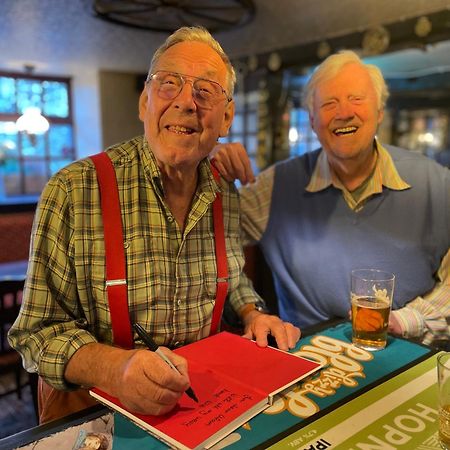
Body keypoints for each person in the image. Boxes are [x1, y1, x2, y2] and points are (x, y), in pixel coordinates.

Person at [8, 26, 300, 424]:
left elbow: (231, 278)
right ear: (145, 102)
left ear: (226, 116)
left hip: (204, 410)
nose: (185, 102)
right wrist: (116, 369)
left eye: (205, 91)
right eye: (168, 84)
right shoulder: (73, 191)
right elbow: (36, 334)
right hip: (101, 418)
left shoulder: (223, 191)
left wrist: (254, 313)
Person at [212, 50, 449, 348]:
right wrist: (204, 160)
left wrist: (406, 320)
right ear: (312, 120)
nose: (344, 112)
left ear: (379, 112)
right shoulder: (277, 185)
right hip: (310, 366)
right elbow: (209, 236)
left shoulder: (437, 184)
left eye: (356, 99)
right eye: (329, 103)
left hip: (412, 363)